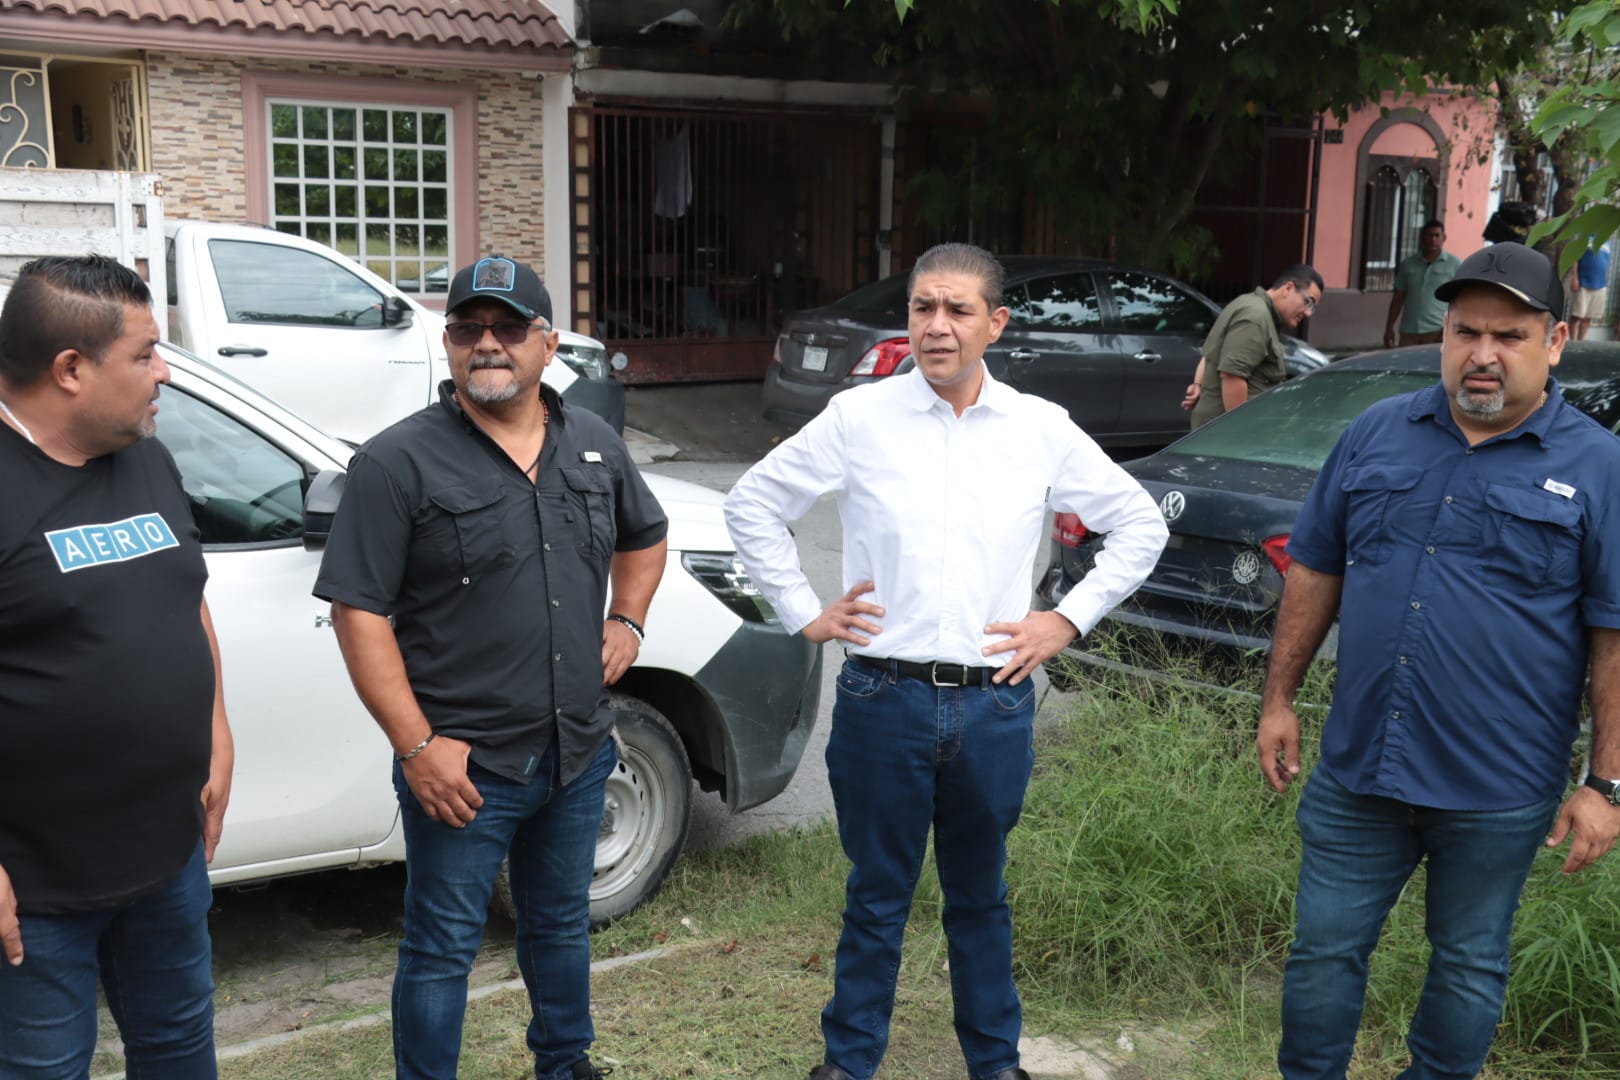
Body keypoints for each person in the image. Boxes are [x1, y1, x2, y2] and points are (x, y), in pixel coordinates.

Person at [724, 243, 1168, 1080]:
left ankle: (995, 1064)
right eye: (923, 307)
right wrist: (803, 612)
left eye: (958, 310)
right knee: (876, 898)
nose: (937, 325)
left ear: (994, 324)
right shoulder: (859, 419)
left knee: (980, 899)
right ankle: (847, 1064)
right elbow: (753, 504)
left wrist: (1064, 621)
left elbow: (1140, 524)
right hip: (880, 698)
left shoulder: (1040, 429)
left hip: (991, 706)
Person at [1257, 240, 1620, 1079]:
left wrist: (1606, 783)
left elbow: (1612, 633)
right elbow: (1316, 567)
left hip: (1499, 787)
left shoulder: (1599, 467)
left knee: (1467, 966)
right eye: (1464, 332)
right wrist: (1279, 699)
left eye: (1508, 336)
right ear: (1444, 334)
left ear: (1554, 341)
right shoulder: (1377, 433)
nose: (1482, 355)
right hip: (1359, 772)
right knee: (1321, 956)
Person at [313, 256, 668, 1080]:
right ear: (447, 343)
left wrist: (627, 618)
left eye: (510, 329)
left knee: (559, 926)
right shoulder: (398, 462)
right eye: (469, 328)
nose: (489, 345)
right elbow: (356, 613)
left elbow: (643, 537)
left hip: (576, 750)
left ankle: (565, 1063)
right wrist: (415, 747)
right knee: (441, 947)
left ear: (548, 345)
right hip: (465, 765)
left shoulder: (595, 445)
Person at [0, 255, 234, 1078]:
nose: (164, 372)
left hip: (166, 860)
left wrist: (217, 734)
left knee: (178, 1054)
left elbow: (185, 596)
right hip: (35, 893)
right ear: (70, 369)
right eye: (143, 354)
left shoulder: (146, 458)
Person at [1183, 264, 1324, 428]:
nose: (1308, 313)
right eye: (1308, 302)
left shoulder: (1248, 303)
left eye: (1312, 308)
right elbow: (1232, 375)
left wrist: (1198, 384)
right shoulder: (1256, 317)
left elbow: (1210, 355)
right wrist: (1243, 431)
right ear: (1288, 288)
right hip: (1226, 437)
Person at [1382, 218, 1461, 347]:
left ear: (1444, 237)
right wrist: (1389, 327)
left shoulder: (1455, 264)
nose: (1433, 239)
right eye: (1429, 235)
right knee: (1407, 365)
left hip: (1438, 331)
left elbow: (1460, 300)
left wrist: (1450, 328)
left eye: (1437, 235)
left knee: (1433, 366)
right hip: (1409, 330)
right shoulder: (1408, 264)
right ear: (1422, 237)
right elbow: (1398, 298)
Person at [1570, 237, 1611, 341]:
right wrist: (1575, 277)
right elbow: (1575, 258)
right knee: (1576, 315)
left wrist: (1606, 278)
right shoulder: (1585, 236)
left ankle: (1580, 342)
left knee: (1588, 317)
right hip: (1583, 283)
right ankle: (1572, 342)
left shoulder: (1608, 242)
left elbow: (1606, 262)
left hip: (1600, 285)